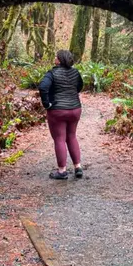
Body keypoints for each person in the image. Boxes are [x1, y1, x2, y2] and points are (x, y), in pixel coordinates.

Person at [38, 49, 84, 180]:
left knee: (59, 139)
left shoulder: (52, 73)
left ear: (60, 59)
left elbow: (43, 87)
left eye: (56, 56)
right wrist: (71, 94)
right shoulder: (75, 72)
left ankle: (62, 171)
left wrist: (46, 104)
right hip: (75, 109)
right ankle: (78, 167)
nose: (54, 58)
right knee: (72, 136)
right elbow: (80, 86)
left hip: (58, 110)